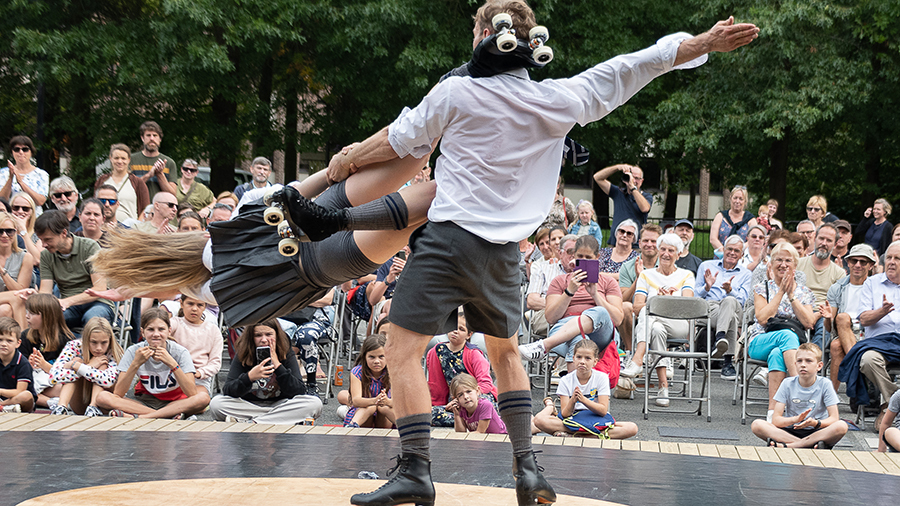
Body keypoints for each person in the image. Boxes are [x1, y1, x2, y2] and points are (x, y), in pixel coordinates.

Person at [518, 235, 624, 378]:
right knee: (579, 340)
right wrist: (570, 291)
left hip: (600, 334)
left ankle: (544, 345)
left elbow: (617, 319)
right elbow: (550, 317)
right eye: (580, 256)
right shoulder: (560, 281)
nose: (584, 261)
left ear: (597, 257)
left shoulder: (608, 282)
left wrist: (595, 295)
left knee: (600, 312)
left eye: (589, 257)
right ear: (574, 256)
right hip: (564, 329)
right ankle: (576, 396)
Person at [621, 233, 695, 407]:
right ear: (658, 251)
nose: (666, 254)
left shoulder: (686, 275)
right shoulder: (647, 275)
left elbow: (688, 307)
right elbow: (637, 308)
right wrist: (657, 303)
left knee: (652, 308)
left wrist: (665, 303)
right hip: (653, 325)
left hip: (679, 325)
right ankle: (663, 387)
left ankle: (638, 358)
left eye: (671, 250)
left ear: (678, 254)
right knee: (655, 328)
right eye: (663, 249)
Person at [95, 308, 207, 418]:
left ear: (169, 331)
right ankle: (165, 415)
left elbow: (191, 392)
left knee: (203, 398)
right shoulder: (133, 351)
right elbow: (118, 393)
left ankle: (142, 417)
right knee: (103, 397)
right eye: (151, 329)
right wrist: (136, 364)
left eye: (161, 329)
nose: (156, 334)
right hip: (144, 401)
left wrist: (173, 364)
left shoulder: (180, 352)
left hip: (174, 402)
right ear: (143, 332)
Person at [747, 243, 816, 420]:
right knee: (787, 335)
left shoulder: (804, 292)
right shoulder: (761, 288)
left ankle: (773, 413)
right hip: (760, 341)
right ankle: (800, 387)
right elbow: (762, 319)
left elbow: (808, 322)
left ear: (795, 266)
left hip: (788, 350)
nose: (783, 264)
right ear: (770, 263)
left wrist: (792, 296)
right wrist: (780, 292)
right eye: (778, 259)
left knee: (778, 353)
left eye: (788, 260)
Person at [209, 319, 322, 424]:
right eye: (258, 335)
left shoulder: (285, 351)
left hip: (280, 405)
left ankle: (252, 422)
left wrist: (278, 366)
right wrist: (249, 377)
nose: (264, 340)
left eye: (269, 335)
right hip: (249, 406)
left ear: (276, 335)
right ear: (251, 338)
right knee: (216, 404)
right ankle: (275, 419)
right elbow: (228, 390)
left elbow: (299, 390)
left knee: (314, 404)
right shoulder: (244, 352)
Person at [533, 339, 637, 439]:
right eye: (579, 357)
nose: (582, 361)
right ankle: (593, 436)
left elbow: (603, 411)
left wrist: (583, 400)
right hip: (573, 420)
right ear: (573, 359)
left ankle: (577, 435)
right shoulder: (566, 380)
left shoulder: (602, 377)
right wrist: (573, 400)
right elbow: (565, 414)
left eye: (587, 358)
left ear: (595, 361)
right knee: (539, 420)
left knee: (632, 428)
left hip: (596, 419)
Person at [838, 241, 900, 409]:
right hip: (879, 343)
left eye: (897, 258)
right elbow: (864, 319)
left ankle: (889, 406)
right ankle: (894, 400)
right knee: (867, 360)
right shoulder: (872, 283)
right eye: (889, 258)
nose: (892, 262)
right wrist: (882, 311)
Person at [750, 343, 848, 448]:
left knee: (841, 426)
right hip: (792, 430)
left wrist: (815, 423)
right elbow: (776, 420)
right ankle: (806, 445)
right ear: (795, 364)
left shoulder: (825, 384)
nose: (803, 365)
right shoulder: (787, 383)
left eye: (809, 361)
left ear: (819, 366)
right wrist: (796, 419)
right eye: (800, 361)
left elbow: (834, 418)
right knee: (757, 424)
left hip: (817, 431)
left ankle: (789, 446)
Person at [31, 210, 114, 329]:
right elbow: (45, 292)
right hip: (68, 307)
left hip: (98, 303)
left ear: (64, 233)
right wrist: (35, 297)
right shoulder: (46, 256)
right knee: (48, 320)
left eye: (48, 239)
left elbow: (99, 289)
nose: (43, 245)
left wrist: (67, 301)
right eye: (41, 240)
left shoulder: (89, 247)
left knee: (93, 319)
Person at [695, 235, 752, 380]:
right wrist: (707, 287)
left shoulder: (746, 274)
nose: (732, 253)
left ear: (742, 255)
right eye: (730, 249)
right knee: (730, 317)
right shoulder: (706, 266)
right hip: (711, 307)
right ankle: (727, 365)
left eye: (737, 251)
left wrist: (730, 290)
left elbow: (745, 300)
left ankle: (720, 338)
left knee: (730, 300)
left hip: (735, 306)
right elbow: (696, 295)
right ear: (723, 250)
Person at [427, 312, 497, 427]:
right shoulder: (437, 351)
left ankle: (473, 419)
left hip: (475, 397)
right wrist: (444, 405)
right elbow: (436, 385)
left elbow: (485, 384)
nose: (455, 331)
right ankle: (467, 420)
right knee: (428, 415)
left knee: (484, 404)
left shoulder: (474, 354)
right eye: (453, 327)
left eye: (461, 329)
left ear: (469, 334)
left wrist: (466, 398)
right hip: (455, 400)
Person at [47, 317, 124, 416]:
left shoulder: (114, 351)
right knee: (76, 361)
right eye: (94, 342)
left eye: (104, 342)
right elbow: (53, 377)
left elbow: (108, 381)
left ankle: (94, 407)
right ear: (86, 339)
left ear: (110, 340)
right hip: (80, 402)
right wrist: (86, 365)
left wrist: (80, 367)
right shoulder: (74, 346)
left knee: (102, 363)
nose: (99, 348)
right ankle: (61, 407)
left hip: (105, 405)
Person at [825, 244, 875, 392]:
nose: (857, 265)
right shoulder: (837, 288)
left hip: (868, 333)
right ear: (848, 262)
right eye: (853, 261)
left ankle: (830, 397)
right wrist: (827, 318)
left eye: (863, 262)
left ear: (871, 265)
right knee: (841, 318)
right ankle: (860, 373)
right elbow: (829, 328)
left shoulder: (876, 287)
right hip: (842, 330)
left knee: (836, 346)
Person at [18, 293, 76, 408]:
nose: (27, 316)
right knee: (23, 387)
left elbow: (69, 374)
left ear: (47, 316)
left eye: (32, 313)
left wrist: (45, 365)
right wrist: (28, 364)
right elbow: (20, 371)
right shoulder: (25, 336)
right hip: (33, 382)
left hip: (55, 382)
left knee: (64, 388)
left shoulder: (67, 340)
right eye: (27, 312)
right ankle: (51, 403)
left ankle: (51, 401)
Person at [166, 296, 222, 409]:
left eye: (199, 305)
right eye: (190, 304)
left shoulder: (213, 330)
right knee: (194, 405)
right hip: (172, 377)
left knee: (202, 399)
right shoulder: (175, 323)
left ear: (205, 306)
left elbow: (215, 363)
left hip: (198, 381)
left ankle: (169, 410)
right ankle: (177, 410)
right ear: (181, 304)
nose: (194, 309)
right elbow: (162, 335)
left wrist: (199, 372)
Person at [796, 223, 845, 348]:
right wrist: (807, 315)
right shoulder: (798, 264)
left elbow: (836, 303)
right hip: (798, 310)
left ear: (835, 245)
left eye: (829, 240)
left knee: (825, 328)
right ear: (815, 239)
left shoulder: (839, 273)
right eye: (821, 238)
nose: (824, 243)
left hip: (823, 314)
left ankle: (813, 361)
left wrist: (816, 314)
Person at [618, 223, 662, 353]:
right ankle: (632, 352)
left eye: (653, 241)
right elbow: (623, 298)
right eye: (646, 241)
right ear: (640, 243)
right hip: (634, 311)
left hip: (659, 311)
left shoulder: (667, 265)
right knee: (625, 307)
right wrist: (639, 278)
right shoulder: (628, 267)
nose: (649, 244)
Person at [342, 333, 394, 428]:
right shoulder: (358, 372)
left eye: (381, 357)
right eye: (372, 357)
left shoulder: (394, 372)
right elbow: (356, 401)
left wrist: (387, 401)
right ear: (364, 357)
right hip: (363, 411)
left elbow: (399, 402)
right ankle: (353, 425)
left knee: (384, 408)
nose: (376, 361)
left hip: (385, 416)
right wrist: (375, 400)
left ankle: (409, 428)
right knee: (371, 407)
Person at [593, 164, 652, 246]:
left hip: (635, 246)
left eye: (636, 178)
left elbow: (645, 208)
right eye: (631, 176)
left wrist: (632, 187)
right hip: (615, 244)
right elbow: (597, 178)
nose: (633, 180)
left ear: (641, 181)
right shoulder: (618, 192)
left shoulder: (646, 196)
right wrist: (617, 167)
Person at [525, 231, 568, 338]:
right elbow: (531, 301)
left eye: (560, 238)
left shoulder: (576, 266)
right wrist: (563, 305)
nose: (557, 242)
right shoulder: (540, 266)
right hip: (547, 316)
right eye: (553, 239)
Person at [94, 143, 150, 223]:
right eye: (116, 158)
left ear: (129, 160)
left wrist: (137, 226)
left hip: (130, 230)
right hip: (104, 227)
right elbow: (95, 204)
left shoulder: (137, 183)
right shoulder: (102, 181)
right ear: (111, 158)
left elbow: (146, 209)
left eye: (123, 158)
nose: (120, 161)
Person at [0, 136, 49, 214]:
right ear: (12, 152)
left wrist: (21, 183)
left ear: (31, 152)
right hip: (10, 219)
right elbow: (2, 200)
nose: (21, 152)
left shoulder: (41, 174)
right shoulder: (3, 173)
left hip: (34, 219)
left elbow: (40, 201)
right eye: (16, 149)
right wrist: (10, 178)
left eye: (25, 149)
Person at [129, 121, 177, 197]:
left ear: (160, 139)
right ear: (142, 138)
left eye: (155, 135)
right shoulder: (130, 160)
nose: (152, 138)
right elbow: (127, 189)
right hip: (137, 207)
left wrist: (160, 174)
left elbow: (172, 195)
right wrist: (149, 175)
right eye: (148, 135)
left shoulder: (169, 163)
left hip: (160, 207)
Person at [0, 211, 33, 322]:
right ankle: (23, 337)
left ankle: (18, 338)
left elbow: (21, 291)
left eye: (9, 231)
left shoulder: (25, 257)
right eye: (0, 231)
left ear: (15, 233)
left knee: (6, 309)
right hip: (13, 301)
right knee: (15, 300)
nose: (4, 235)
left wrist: (2, 271)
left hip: (13, 306)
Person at [0, 317, 35, 413]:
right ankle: (4, 408)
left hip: (19, 401)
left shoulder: (22, 363)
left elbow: (20, 391)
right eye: (0, 340)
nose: (3, 344)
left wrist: (0, 391)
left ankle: (3, 407)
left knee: (26, 395)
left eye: (9, 341)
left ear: (18, 343)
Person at [710, 185, 757, 255]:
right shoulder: (720, 216)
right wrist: (725, 252)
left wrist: (738, 251)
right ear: (730, 198)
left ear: (745, 201)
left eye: (741, 199)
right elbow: (713, 239)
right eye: (735, 198)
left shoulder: (751, 220)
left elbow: (753, 240)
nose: (737, 201)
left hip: (742, 258)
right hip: (721, 257)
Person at [10, 192, 43, 279]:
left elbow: (37, 260)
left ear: (32, 212)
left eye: (25, 209)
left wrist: (23, 231)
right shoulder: (3, 232)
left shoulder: (39, 233)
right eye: (15, 208)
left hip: (33, 276)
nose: (20, 211)